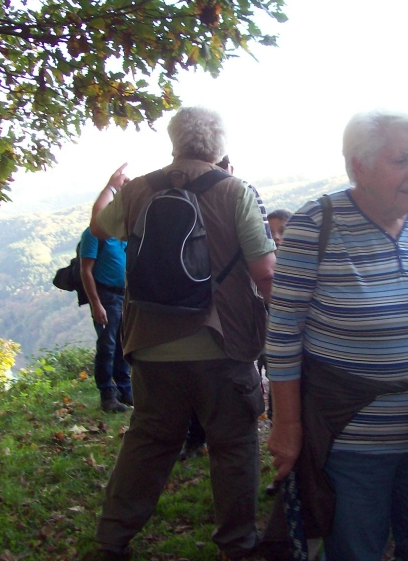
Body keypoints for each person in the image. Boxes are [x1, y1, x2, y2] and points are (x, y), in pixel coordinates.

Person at [266, 110, 408, 561]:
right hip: (351, 442)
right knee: (354, 551)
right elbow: (284, 335)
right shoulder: (315, 225)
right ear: (358, 166)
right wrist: (287, 426)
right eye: (402, 160)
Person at [88, 107, 276, 561]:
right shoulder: (235, 191)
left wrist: (111, 188)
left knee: (148, 444)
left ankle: (111, 542)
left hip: (150, 343)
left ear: (174, 141)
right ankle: (237, 545)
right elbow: (266, 273)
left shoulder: (139, 190)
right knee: (233, 447)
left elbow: (99, 227)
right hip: (222, 343)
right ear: (220, 146)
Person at [80, 227, 132, 412]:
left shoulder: (122, 234)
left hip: (125, 296)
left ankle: (124, 390)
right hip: (106, 296)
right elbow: (86, 270)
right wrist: (96, 304)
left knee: (124, 344)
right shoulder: (93, 234)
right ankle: (107, 395)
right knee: (107, 346)